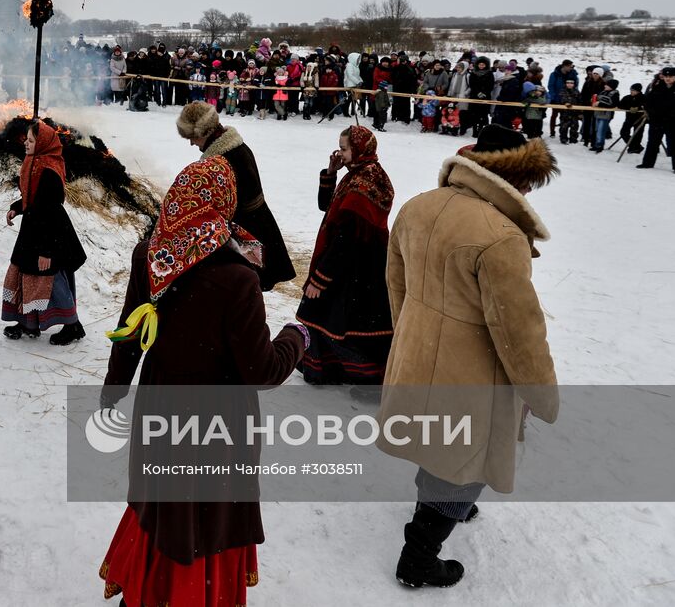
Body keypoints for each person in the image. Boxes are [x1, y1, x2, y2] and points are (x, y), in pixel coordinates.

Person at [100, 157, 306, 607]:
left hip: (160, 407)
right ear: (223, 205)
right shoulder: (237, 278)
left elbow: (130, 332)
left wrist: (112, 393)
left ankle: (151, 591)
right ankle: (194, 596)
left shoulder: (152, 253)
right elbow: (263, 371)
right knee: (206, 518)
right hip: (217, 424)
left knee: (164, 504)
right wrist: (297, 337)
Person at [379, 124, 559, 588]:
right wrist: (541, 393)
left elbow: (395, 285)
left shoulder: (419, 207)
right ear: (517, 178)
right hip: (472, 368)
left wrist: (411, 337)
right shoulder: (500, 235)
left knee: (438, 438)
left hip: (419, 352)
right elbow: (519, 329)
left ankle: (446, 503)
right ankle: (418, 557)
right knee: (465, 458)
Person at [295, 125, 394, 387]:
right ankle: (331, 367)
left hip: (356, 268)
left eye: (344, 148)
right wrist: (330, 173)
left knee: (334, 318)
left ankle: (351, 373)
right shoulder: (360, 173)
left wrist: (320, 278)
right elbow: (326, 207)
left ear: (360, 150)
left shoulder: (363, 184)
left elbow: (345, 241)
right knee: (336, 319)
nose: (339, 152)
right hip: (352, 263)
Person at [175, 101, 296, 291]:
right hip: (256, 223)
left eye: (193, 137)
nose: (191, 142)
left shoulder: (225, 159)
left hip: (248, 230)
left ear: (204, 132)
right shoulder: (236, 147)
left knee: (244, 287)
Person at [1, 120, 88, 344]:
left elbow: (48, 209)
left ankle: (73, 325)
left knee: (50, 278)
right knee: (25, 272)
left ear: (42, 143)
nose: (26, 144)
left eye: (31, 141)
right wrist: (16, 208)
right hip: (33, 228)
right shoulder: (34, 163)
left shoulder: (48, 169)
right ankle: (28, 322)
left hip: (49, 233)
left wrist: (47, 251)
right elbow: (34, 199)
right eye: (26, 140)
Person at [637, 67, 675, 173]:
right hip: (657, 120)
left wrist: (673, 114)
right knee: (652, 142)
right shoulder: (657, 88)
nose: (667, 79)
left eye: (670, 77)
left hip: (673, 121)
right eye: (666, 76)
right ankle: (647, 163)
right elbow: (648, 102)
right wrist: (652, 113)